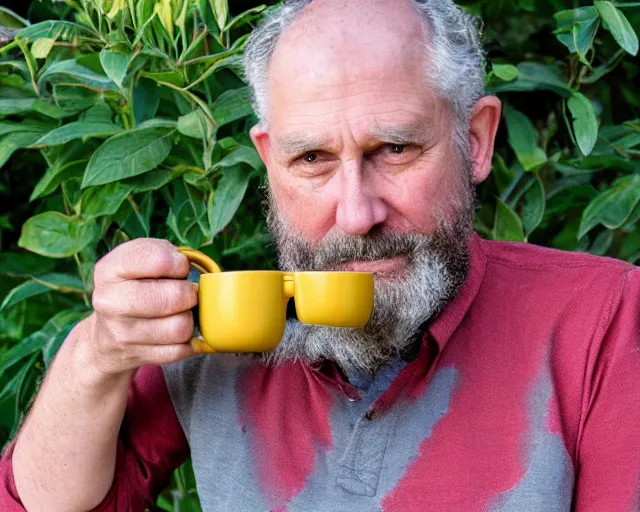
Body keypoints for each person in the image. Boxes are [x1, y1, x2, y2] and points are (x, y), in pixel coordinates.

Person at [2, 0, 640, 510]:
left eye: (394, 149)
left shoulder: (605, 318)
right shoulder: (223, 325)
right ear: (269, 163)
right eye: (312, 159)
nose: (357, 213)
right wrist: (98, 353)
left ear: (474, 141)